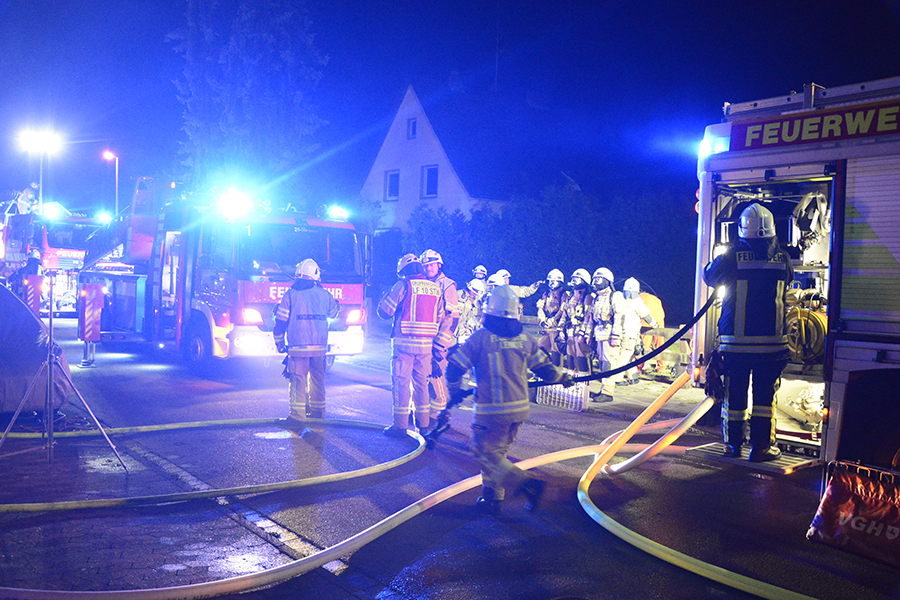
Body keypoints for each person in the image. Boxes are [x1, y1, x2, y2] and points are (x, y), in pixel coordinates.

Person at [446, 285, 572, 515]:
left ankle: (526, 485)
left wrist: (454, 391)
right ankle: (492, 498)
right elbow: (545, 369)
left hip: (491, 412)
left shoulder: (480, 338)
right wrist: (563, 378)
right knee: (497, 454)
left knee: (483, 452)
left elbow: (454, 367)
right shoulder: (525, 338)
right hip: (519, 411)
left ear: (489, 311)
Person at [703, 203, 793, 463]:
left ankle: (733, 446)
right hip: (772, 347)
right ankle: (761, 448)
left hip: (737, 346)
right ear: (773, 230)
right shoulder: (783, 259)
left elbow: (709, 276)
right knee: (765, 399)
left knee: (735, 398)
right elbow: (788, 279)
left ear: (742, 230)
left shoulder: (731, 257)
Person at [377, 253, 443, 436]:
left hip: (404, 346)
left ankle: (400, 426)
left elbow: (385, 312)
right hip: (426, 347)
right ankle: (423, 425)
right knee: (421, 385)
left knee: (401, 384)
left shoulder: (403, 285)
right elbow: (439, 317)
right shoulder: (435, 288)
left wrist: (385, 296)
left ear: (404, 270)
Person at [273, 259, 341, 421]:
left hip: (298, 348)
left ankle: (297, 416)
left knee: (298, 380)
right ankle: (318, 412)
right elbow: (333, 313)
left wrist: (279, 342)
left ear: (298, 275)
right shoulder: (325, 294)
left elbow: (280, 322)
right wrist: (337, 304)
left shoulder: (291, 295)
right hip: (319, 348)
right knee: (318, 379)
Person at [420, 249, 459, 421]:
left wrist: (439, 347)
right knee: (423, 378)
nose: (429, 268)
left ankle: (439, 413)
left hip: (438, 341)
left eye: (432, 265)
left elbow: (452, 319)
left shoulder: (447, 285)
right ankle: (424, 413)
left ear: (439, 265)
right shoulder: (423, 284)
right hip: (424, 339)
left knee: (436, 378)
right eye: (426, 265)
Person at [590, 267, 623, 402]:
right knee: (602, 364)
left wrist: (616, 335)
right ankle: (603, 390)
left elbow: (619, 316)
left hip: (609, 335)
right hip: (599, 334)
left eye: (598, 279)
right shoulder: (597, 297)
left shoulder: (615, 296)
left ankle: (608, 393)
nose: (595, 282)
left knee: (609, 364)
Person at [618, 277, 659, 386]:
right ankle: (618, 378)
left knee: (629, 355)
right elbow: (646, 316)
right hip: (630, 332)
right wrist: (655, 325)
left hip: (621, 332)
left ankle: (633, 376)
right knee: (625, 355)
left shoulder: (621, 301)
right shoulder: (636, 303)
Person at [560, 268, 594, 374]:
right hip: (570, 332)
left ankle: (585, 378)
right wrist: (561, 330)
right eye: (573, 278)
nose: (574, 281)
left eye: (577, 279)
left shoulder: (588, 298)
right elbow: (564, 315)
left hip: (580, 333)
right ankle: (572, 377)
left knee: (581, 356)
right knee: (570, 355)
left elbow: (588, 317)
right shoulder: (569, 297)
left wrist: (583, 334)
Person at [536, 268, 568, 366]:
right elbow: (540, 308)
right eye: (550, 281)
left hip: (556, 328)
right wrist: (542, 321)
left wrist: (552, 321)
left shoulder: (564, 295)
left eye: (554, 281)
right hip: (546, 328)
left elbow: (562, 311)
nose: (551, 283)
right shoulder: (546, 294)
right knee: (541, 347)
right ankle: (542, 369)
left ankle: (557, 370)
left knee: (556, 351)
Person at [456, 278, 486, 343]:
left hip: (463, 334)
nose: (475, 295)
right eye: (474, 293)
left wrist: (469, 329)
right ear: (470, 289)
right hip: (452, 332)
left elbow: (471, 318)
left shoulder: (474, 301)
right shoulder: (458, 295)